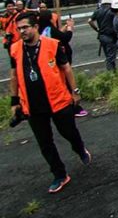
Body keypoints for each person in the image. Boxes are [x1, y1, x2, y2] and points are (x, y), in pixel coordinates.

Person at [9, 12, 90, 194]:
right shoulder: (14, 49)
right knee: (45, 142)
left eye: (25, 27)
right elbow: (14, 75)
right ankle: (59, 174)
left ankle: (80, 149)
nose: (22, 31)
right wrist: (14, 101)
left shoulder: (52, 45)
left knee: (69, 132)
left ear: (35, 27)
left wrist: (74, 91)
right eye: (19, 28)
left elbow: (66, 68)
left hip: (58, 100)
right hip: (32, 105)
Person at [87, 0, 118, 71]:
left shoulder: (97, 11)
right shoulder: (112, 11)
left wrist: (96, 29)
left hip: (101, 36)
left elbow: (90, 21)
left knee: (108, 56)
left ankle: (112, 72)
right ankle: (112, 74)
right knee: (111, 57)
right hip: (111, 36)